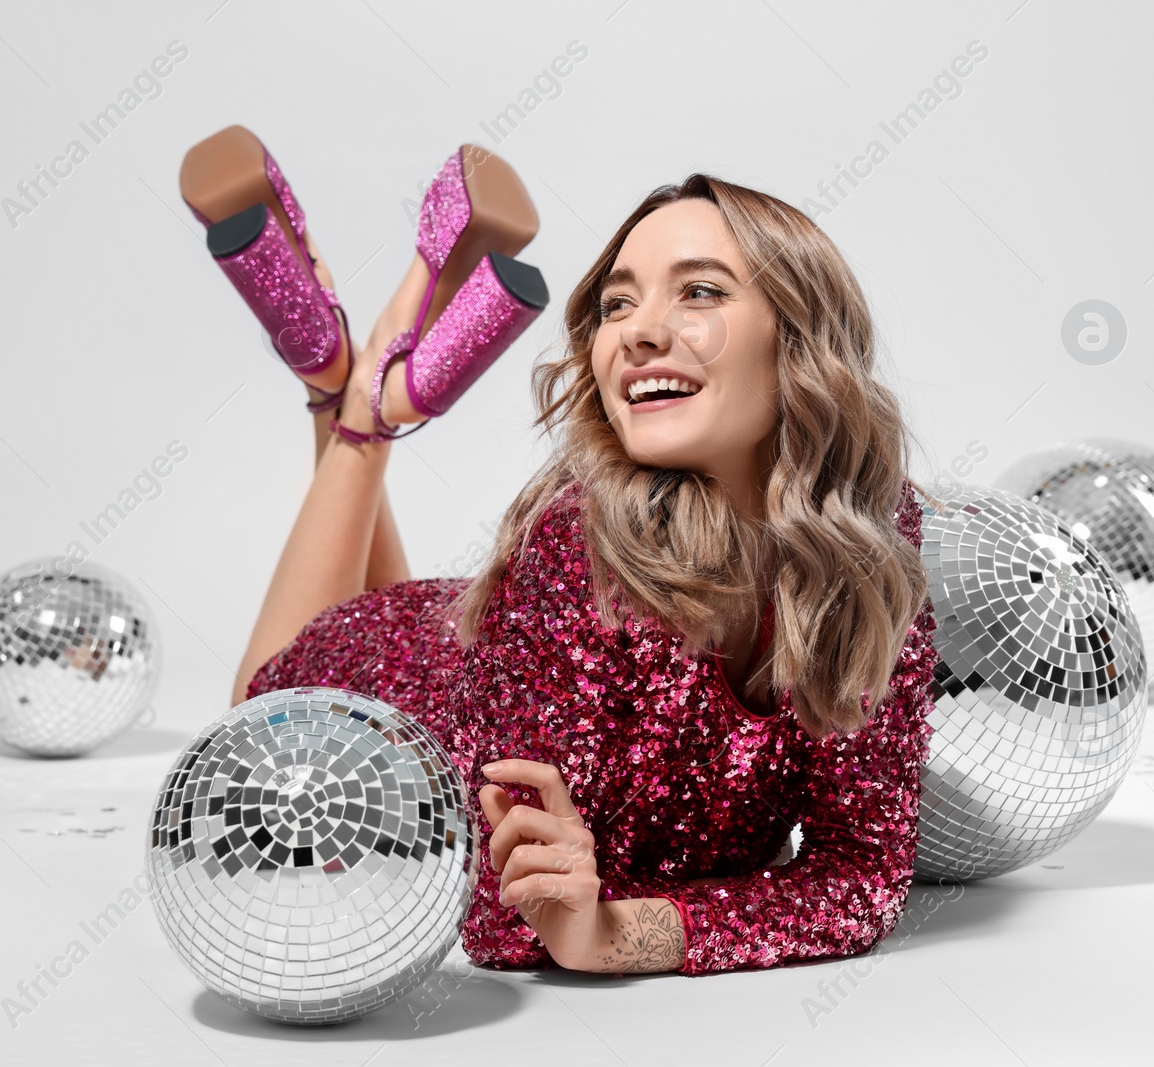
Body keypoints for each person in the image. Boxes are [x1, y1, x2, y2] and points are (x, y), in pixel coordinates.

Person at [184, 127, 937, 977]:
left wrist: (621, 932)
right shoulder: (577, 544)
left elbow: (861, 880)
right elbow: (497, 914)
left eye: (700, 292)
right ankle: (360, 401)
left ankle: (357, 376)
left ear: (800, 339)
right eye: (617, 303)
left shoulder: (872, 546)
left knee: (410, 627)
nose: (638, 332)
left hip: (467, 633)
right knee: (252, 705)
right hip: (384, 695)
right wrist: (597, 922)